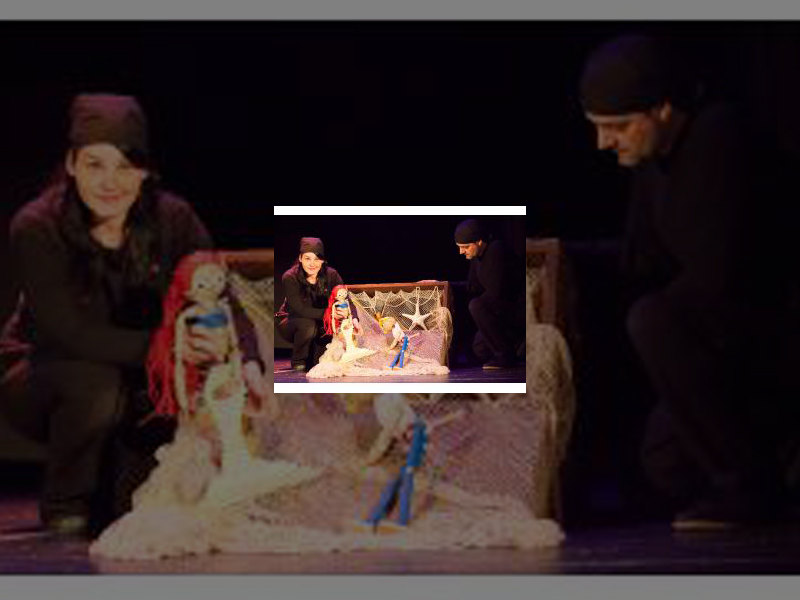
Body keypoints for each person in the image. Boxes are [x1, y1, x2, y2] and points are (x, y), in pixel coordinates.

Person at [580, 34, 793, 529]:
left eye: (617, 126)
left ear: (663, 109)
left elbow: (727, 279)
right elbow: (639, 262)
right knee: (664, 462)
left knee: (654, 319)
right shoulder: (653, 160)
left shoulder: (721, 137)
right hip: (729, 339)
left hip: (773, 338)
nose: (604, 143)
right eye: (598, 127)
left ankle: (753, 488)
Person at [0, 93, 226, 538]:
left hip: (138, 377)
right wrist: (168, 347)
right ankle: (65, 503)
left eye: (126, 166)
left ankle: (113, 490)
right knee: (94, 383)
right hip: (43, 375)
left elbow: (214, 288)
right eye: (95, 164)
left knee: (132, 501)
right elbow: (69, 332)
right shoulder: (37, 226)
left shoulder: (173, 220)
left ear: (145, 171)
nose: (110, 182)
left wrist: (213, 334)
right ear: (71, 165)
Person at [454, 218, 524, 369]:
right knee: (480, 348)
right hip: (500, 312)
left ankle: (506, 356)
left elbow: (497, 293)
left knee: (476, 305)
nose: (461, 251)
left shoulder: (496, 249)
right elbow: (472, 288)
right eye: (459, 247)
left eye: (465, 247)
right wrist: (445, 285)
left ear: (479, 241)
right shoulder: (476, 257)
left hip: (517, 311)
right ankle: (517, 348)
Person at [276, 237, 347, 371]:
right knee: (307, 324)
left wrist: (345, 313)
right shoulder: (290, 277)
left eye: (317, 259)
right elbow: (299, 309)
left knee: (319, 361)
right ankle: (298, 361)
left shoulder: (331, 275)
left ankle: (312, 358)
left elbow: (344, 297)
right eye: (307, 258)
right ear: (300, 258)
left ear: (322, 260)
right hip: (291, 322)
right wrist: (330, 314)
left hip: (320, 323)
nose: (312, 264)